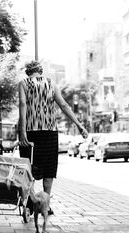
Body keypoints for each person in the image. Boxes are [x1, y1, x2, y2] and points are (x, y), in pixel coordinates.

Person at [18, 60, 88, 215]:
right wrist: (79, 124)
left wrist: (22, 130)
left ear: (28, 72)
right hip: (50, 132)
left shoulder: (23, 83)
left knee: (29, 168)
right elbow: (63, 105)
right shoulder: (51, 83)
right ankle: (46, 205)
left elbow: (23, 104)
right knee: (48, 170)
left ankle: (30, 204)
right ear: (40, 71)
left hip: (30, 132)